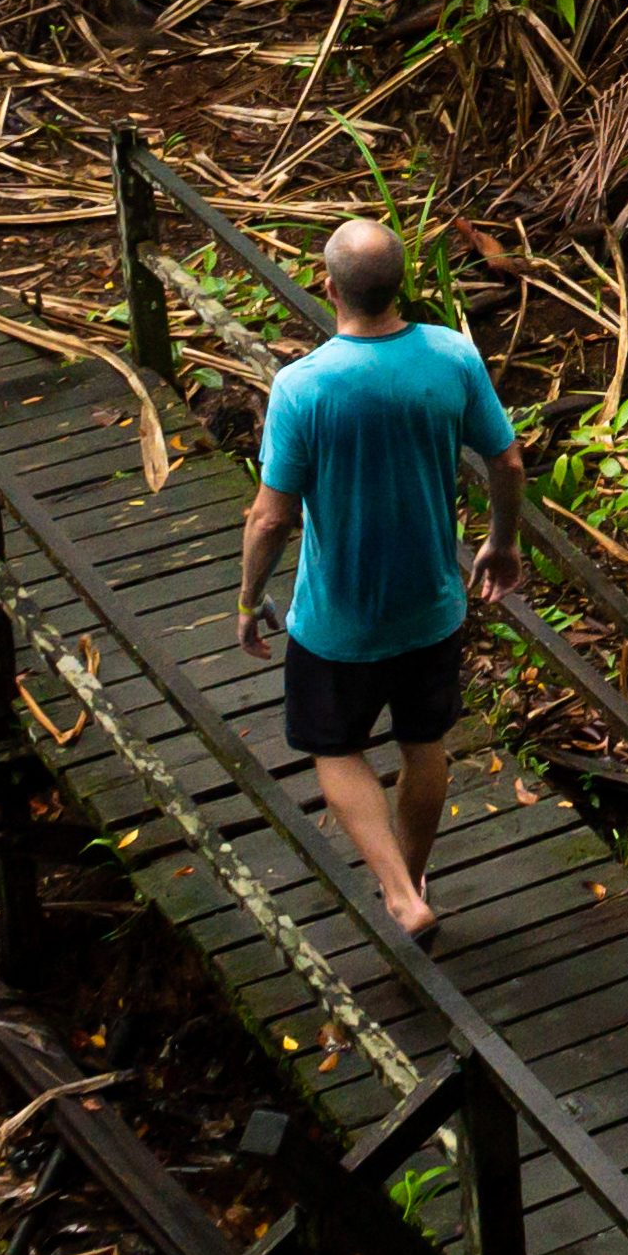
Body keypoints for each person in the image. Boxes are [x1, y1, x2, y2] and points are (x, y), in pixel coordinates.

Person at [236, 218, 525, 940]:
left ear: (328, 287)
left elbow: (271, 519)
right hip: (431, 605)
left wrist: (248, 599)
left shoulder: (303, 386)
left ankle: (400, 895)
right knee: (423, 742)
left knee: (335, 747)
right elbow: (507, 460)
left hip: (339, 617)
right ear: (402, 284)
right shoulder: (452, 355)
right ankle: (416, 874)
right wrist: (500, 543)